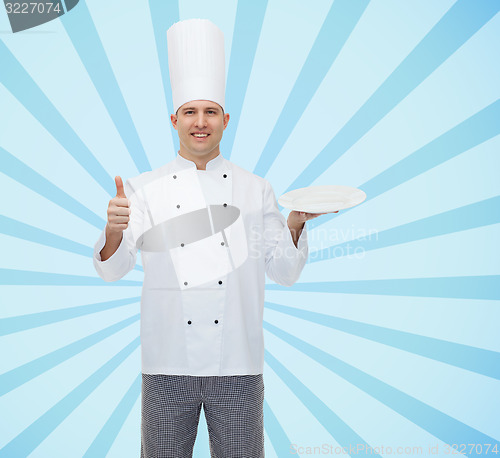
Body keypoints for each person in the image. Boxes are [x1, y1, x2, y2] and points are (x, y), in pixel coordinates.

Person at [93, 19, 333, 458]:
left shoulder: (255, 188)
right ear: (173, 120)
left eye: (209, 112)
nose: (199, 123)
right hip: (165, 363)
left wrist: (296, 221)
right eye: (189, 112)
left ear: (224, 119)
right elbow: (115, 268)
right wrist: (112, 230)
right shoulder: (143, 188)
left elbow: (284, 271)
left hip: (238, 364)